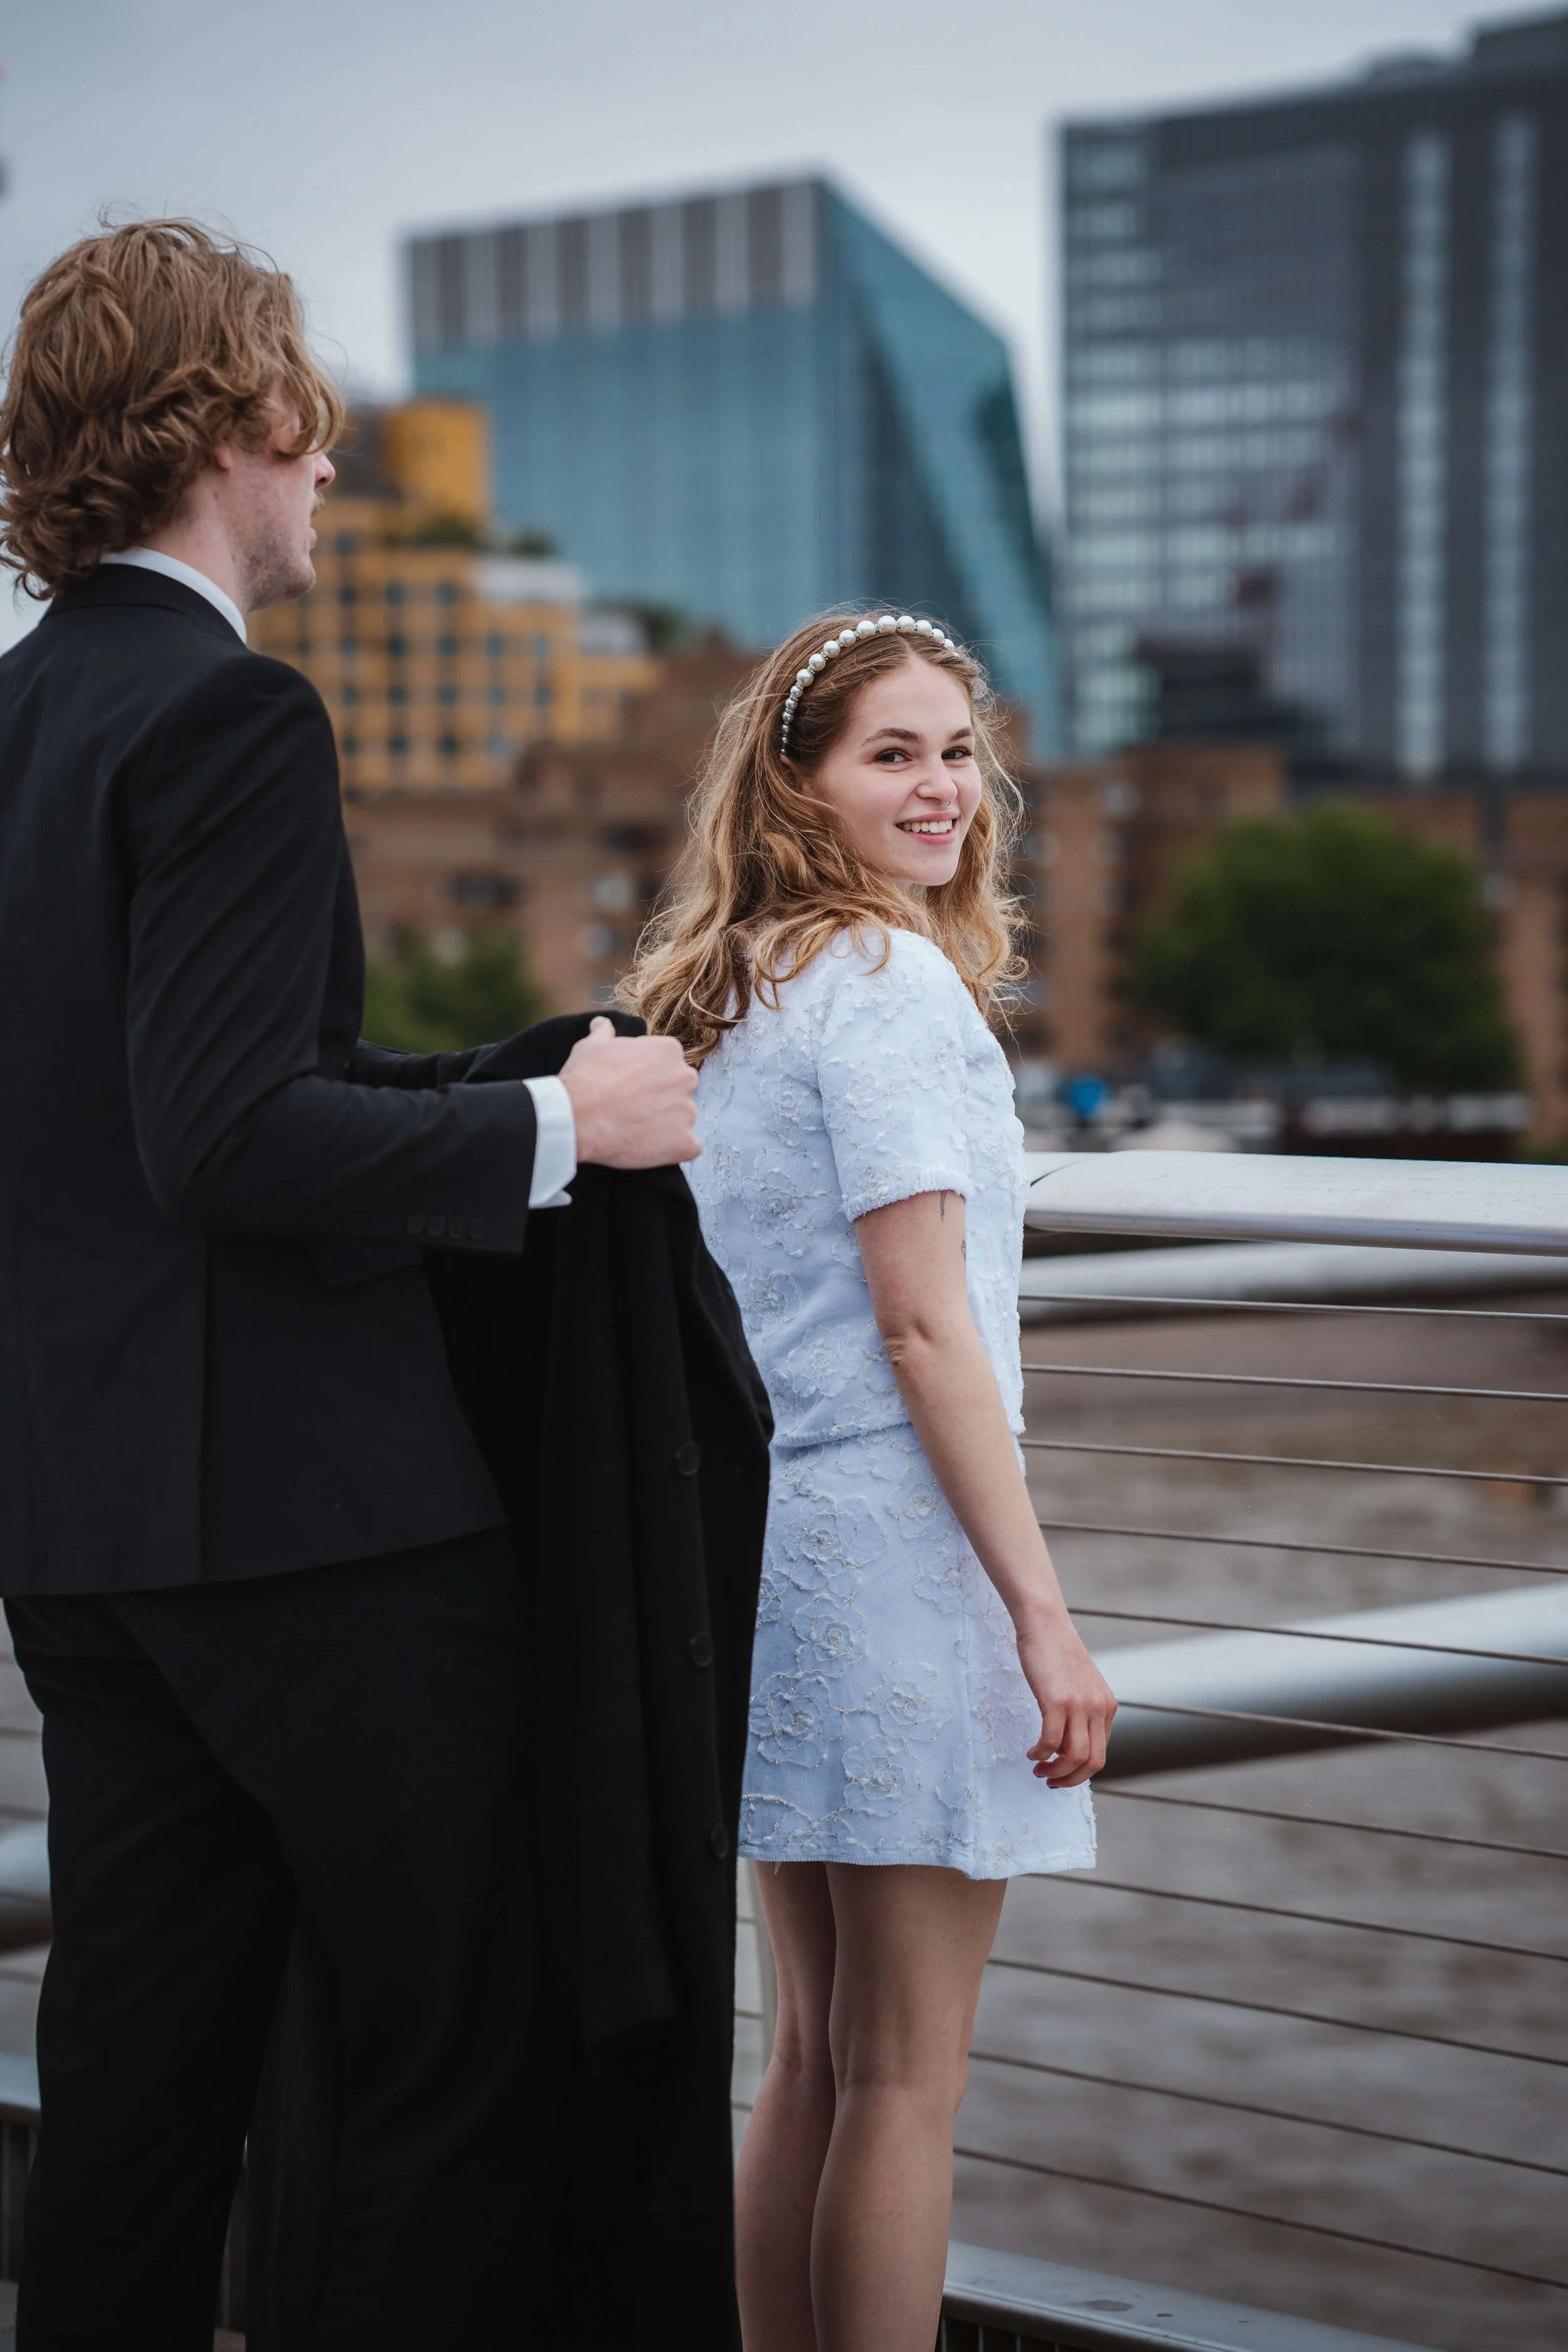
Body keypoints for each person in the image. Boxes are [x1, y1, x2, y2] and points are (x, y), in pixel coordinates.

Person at [0, 220, 699, 2349]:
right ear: (244, 425)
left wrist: (496, 1071)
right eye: (312, 436)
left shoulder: (20, 717)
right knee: (451, 2063)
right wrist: (574, 1136)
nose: (329, 485)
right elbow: (228, 1142)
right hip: (323, 1531)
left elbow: (130, 1107)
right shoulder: (233, 719)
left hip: (89, 1534)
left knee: (138, 2079)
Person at [623, 612, 1118, 2352]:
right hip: (898, 1567)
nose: (937, 788)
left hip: (773, 1562)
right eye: (888, 753)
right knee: (905, 2074)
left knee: (819, 2053)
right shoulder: (896, 988)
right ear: (797, 779)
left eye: (956, 750)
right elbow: (924, 1330)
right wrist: (1043, 1619)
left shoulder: (737, 985)